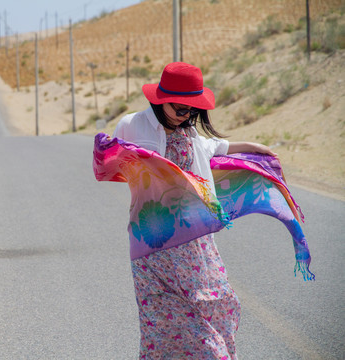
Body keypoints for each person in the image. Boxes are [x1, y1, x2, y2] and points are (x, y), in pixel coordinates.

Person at [112, 62, 277, 359]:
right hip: (154, 247)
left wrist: (250, 147)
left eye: (192, 110)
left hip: (196, 245)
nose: (186, 115)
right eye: (180, 108)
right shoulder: (132, 125)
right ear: (161, 100)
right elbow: (112, 156)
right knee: (166, 328)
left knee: (220, 306)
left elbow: (213, 147)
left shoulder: (189, 135)